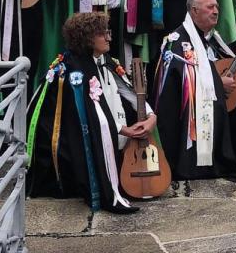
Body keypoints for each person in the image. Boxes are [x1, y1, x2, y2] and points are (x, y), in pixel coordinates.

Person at [28, 12, 152, 213]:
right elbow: (91, 117)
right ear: (86, 38)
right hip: (72, 139)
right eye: (103, 34)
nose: (109, 38)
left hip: (107, 127)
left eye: (108, 32)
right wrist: (125, 130)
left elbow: (128, 90)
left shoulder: (105, 59)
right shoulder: (74, 70)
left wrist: (151, 115)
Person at [151, 0, 236, 181]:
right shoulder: (177, 42)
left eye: (217, 7)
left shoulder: (208, 38)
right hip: (181, 114)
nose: (216, 11)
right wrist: (219, 84)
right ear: (194, 10)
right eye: (210, 7)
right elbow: (185, 80)